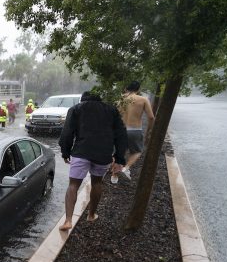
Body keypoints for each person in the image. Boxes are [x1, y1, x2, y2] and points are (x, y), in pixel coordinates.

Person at [58, 91, 127, 231]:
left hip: (81, 152)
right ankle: (91, 214)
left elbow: (67, 133)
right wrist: (119, 157)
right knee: (97, 183)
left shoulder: (76, 109)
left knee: (73, 185)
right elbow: (121, 134)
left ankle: (68, 220)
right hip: (103, 154)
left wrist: (65, 152)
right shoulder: (111, 110)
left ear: (83, 100)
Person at [110, 81, 155, 184]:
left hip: (120, 130)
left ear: (126, 88)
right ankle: (126, 168)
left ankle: (114, 177)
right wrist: (150, 129)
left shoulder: (119, 100)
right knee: (137, 151)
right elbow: (151, 117)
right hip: (135, 130)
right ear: (138, 89)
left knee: (117, 153)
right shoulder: (143, 99)